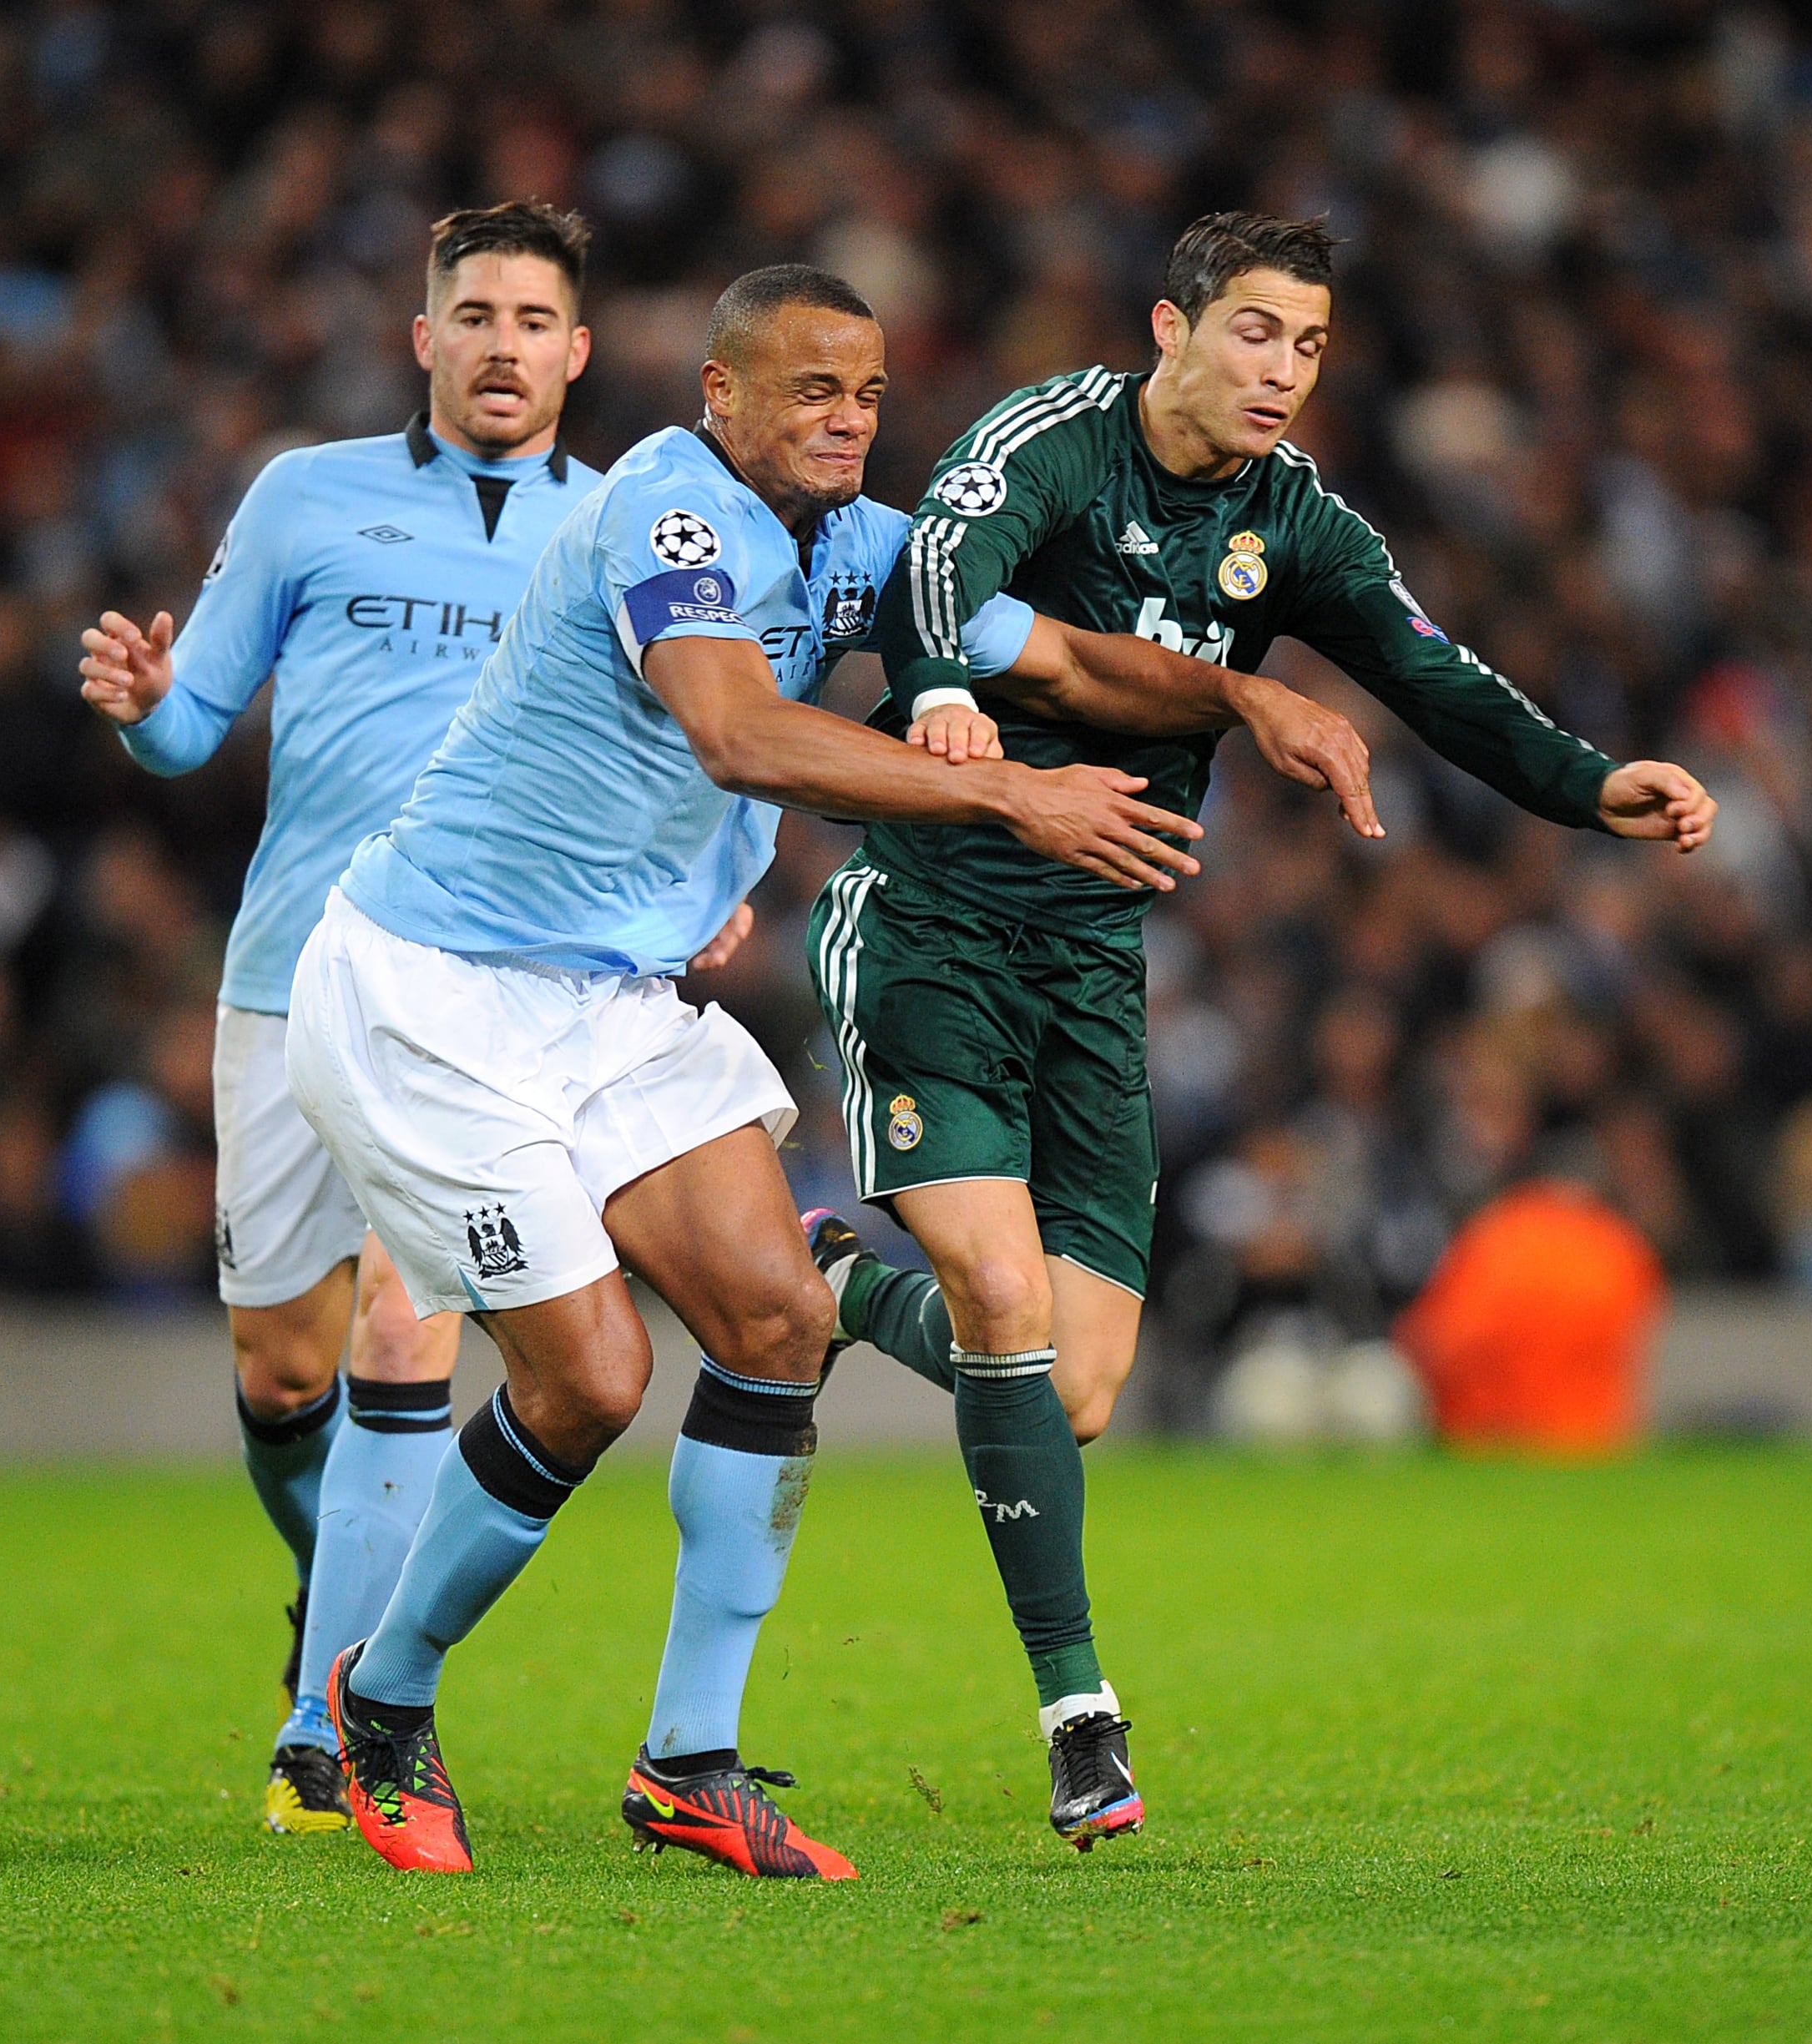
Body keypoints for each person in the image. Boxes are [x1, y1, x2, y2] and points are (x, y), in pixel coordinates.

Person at [288, 263, 1332, 1879]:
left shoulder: (860, 545)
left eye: (864, 392)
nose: (846, 420)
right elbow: (737, 733)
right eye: (808, 391)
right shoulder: (670, 508)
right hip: (434, 989)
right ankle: (385, 1697)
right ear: (720, 394)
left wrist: (1242, 691)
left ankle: (688, 1763)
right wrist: (1001, 801)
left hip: (612, 1000)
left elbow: (1049, 658)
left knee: (778, 1320)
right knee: (589, 1382)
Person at [804, 210, 1718, 1849]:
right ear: (1172, 325)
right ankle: (1080, 1714)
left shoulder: (1296, 523)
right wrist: (940, 685)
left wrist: (1590, 785)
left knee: (1070, 1388)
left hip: (1092, 962)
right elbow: (939, 550)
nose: (1280, 370)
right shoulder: (1055, 440)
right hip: (936, 909)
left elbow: (1434, 675)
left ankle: (827, 1287)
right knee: (1007, 1295)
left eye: (1304, 345)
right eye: (1252, 334)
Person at [75, 201, 632, 1836]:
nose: (504, 343)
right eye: (475, 314)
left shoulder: (615, 532)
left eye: (535, 318)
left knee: (408, 1334)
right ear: (425, 338)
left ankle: (332, 1729)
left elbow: (667, 741)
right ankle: (335, 1601)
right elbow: (191, 732)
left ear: (577, 350)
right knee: (278, 1373)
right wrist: (139, 705)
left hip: (469, 1001)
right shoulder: (304, 499)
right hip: (284, 981)